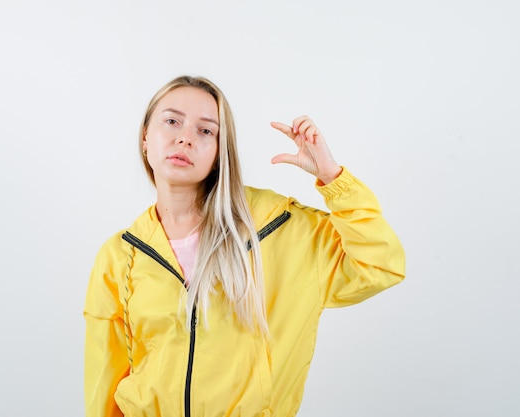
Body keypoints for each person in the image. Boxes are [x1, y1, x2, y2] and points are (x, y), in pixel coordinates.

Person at [83, 75, 405, 416]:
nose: (185, 138)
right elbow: (105, 382)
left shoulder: (278, 228)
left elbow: (380, 265)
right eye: (172, 121)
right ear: (146, 137)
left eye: (205, 130)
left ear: (221, 152)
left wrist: (332, 177)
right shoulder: (120, 256)